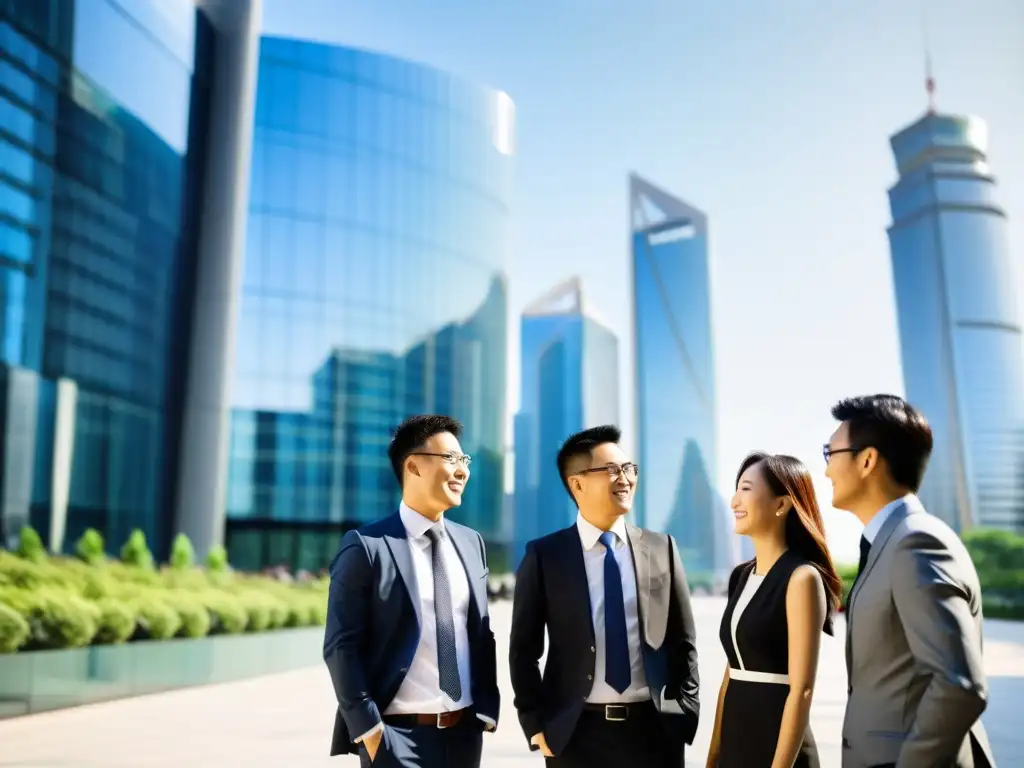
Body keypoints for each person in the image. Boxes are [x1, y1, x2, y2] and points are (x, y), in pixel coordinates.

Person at [509, 425, 700, 767]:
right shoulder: (546, 555)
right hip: (576, 737)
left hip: (654, 734)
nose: (625, 478)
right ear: (577, 483)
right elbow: (523, 650)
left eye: (629, 468)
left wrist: (685, 712)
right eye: (611, 470)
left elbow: (682, 641)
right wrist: (534, 724)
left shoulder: (661, 548)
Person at [826, 394, 994, 768]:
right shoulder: (892, 541)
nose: (825, 471)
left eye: (830, 453)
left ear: (867, 460)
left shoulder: (915, 542)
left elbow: (958, 685)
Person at [323, 415, 500, 768]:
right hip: (395, 738)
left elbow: (480, 635)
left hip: (464, 735)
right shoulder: (367, 546)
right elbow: (341, 646)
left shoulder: (470, 543)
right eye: (450, 459)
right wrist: (369, 730)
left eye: (464, 460)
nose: (462, 470)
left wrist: (486, 710)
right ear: (414, 466)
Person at [706, 452, 842, 768]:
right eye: (736, 489)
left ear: (781, 504)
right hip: (736, 743)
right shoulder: (740, 576)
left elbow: (802, 690)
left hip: (779, 748)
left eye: (747, 489)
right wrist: (713, 755)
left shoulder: (802, 577)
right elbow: (731, 672)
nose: (734, 501)